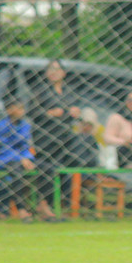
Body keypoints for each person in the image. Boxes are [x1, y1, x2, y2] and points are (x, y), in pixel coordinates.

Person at [0, 97, 61, 222]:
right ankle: (21, 210)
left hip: (24, 159)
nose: (22, 111)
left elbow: (25, 146)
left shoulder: (25, 125)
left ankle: (43, 205)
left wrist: (26, 158)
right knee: (17, 173)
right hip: (5, 159)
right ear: (9, 110)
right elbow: (2, 147)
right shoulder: (1, 125)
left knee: (49, 169)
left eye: (22, 108)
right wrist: (20, 158)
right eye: (18, 108)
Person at [30, 59, 83, 201]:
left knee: (69, 167)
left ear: (64, 73)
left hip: (65, 137)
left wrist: (76, 112)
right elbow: (32, 112)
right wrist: (49, 113)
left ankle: (64, 201)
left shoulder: (69, 91)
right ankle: (44, 203)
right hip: (45, 137)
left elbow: (76, 110)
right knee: (47, 170)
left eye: (57, 69)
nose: (53, 72)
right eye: (50, 69)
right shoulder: (40, 90)